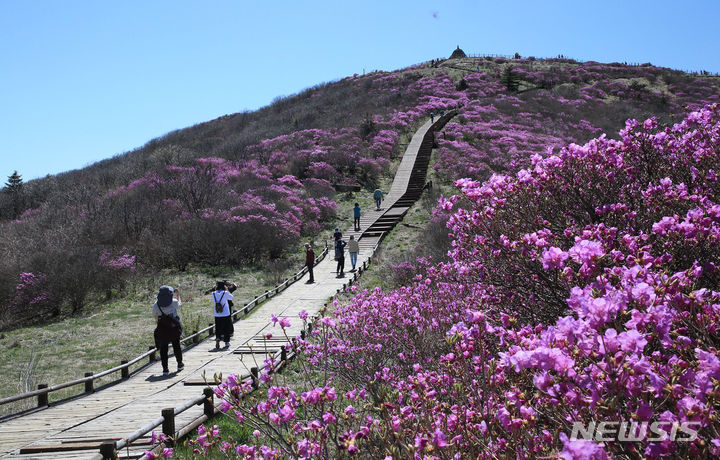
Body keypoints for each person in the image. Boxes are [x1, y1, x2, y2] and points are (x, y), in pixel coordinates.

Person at [153, 285, 183, 375]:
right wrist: (178, 295)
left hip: (162, 328)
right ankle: (179, 364)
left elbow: (155, 317)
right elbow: (180, 305)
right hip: (173, 328)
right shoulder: (173, 302)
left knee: (163, 349)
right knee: (176, 346)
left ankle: (165, 369)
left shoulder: (156, 304)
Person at [211, 281, 235, 349]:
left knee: (218, 327)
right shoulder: (225, 293)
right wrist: (227, 290)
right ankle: (226, 342)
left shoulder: (213, 293)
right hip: (225, 313)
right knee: (226, 328)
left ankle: (218, 338)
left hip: (217, 313)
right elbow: (231, 297)